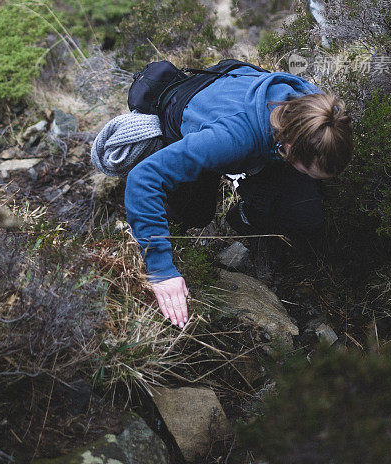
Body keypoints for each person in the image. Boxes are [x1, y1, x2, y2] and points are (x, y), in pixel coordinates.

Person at [122, 61, 353, 328]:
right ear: (289, 149)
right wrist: (161, 272)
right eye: (311, 172)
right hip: (191, 116)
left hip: (239, 111)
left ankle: (246, 213)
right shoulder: (230, 140)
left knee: (305, 212)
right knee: (195, 213)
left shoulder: (325, 115)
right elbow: (144, 178)